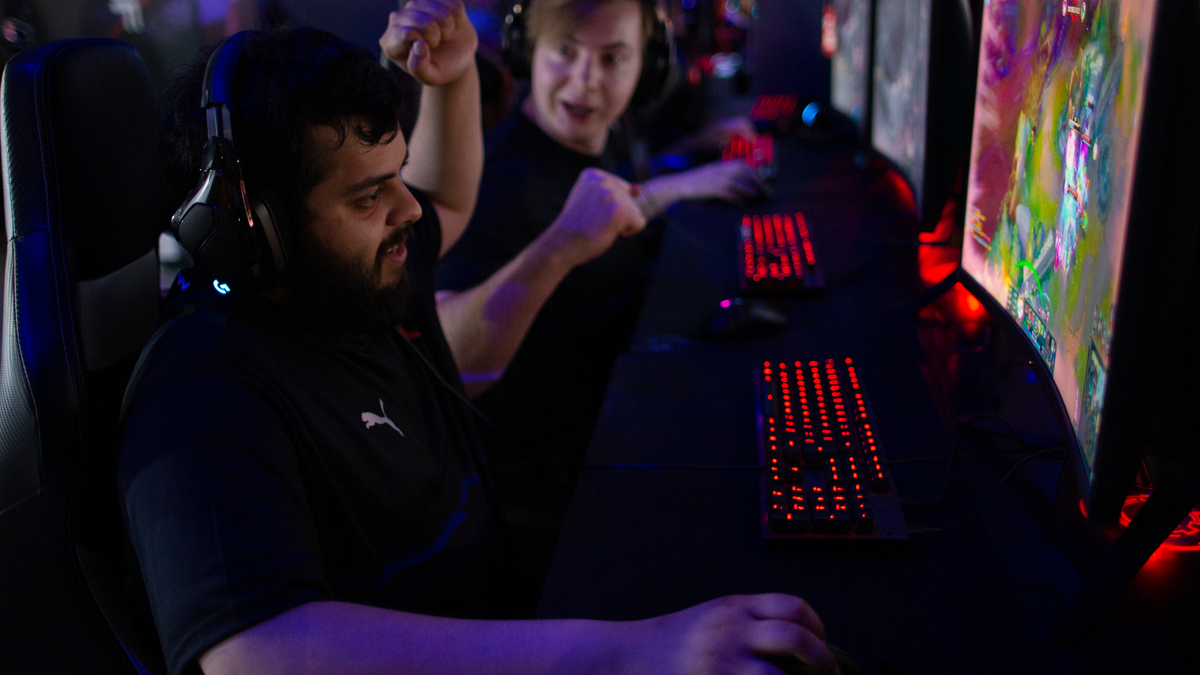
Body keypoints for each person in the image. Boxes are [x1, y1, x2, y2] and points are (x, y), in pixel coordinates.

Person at [118, 2, 837, 674]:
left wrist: (456, 75)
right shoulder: (204, 389)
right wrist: (631, 650)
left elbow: (449, 197)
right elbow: (254, 652)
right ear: (255, 228)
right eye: (368, 195)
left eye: (397, 175)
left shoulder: (355, 277)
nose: (408, 210)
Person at [433, 0, 764, 518]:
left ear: (649, 68)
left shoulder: (597, 136)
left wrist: (685, 161)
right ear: (528, 52)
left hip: (614, 410)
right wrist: (561, 243)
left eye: (612, 58)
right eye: (565, 51)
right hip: (556, 489)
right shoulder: (500, 186)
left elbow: (608, 198)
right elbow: (447, 363)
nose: (585, 82)